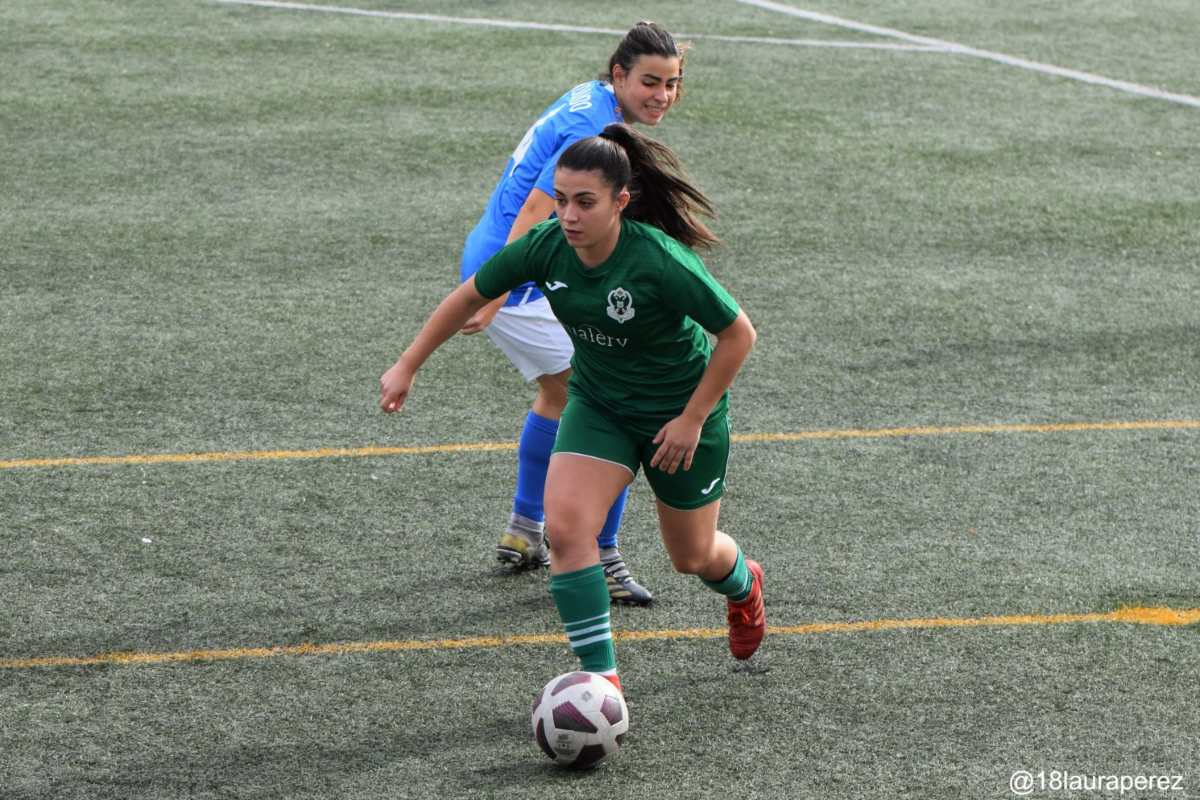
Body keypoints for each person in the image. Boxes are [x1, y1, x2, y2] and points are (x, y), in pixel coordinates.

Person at [380, 124, 767, 692]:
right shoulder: (546, 246)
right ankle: (600, 680)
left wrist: (692, 419)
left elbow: (739, 336)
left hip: (678, 418)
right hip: (600, 405)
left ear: (620, 202)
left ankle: (744, 585)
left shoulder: (660, 262)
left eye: (585, 202)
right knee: (566, 531)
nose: (569, 215)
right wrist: (408, 364)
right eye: (561, 200)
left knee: (693, 556)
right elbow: (470, 294)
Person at [456, 21, 689, 606]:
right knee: (614, 402)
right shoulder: (591, 126)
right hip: (522, 275)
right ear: (619, 74)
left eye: (672, 83)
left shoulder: (589, 102)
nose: (661, 95)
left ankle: (525, 528)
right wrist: (498, 292)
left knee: (561, 395)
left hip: (507, 263)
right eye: (649, 82)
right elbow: (539, 206)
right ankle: (602, 555)